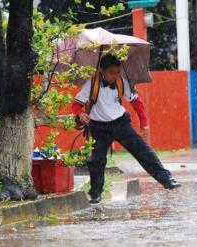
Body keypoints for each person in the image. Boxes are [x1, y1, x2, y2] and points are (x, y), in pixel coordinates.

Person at [72, 54, 181, 203]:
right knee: (97, 161)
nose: (114, 76)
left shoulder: (121, 82)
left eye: (117, 72)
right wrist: (80, 114)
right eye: (111, 72)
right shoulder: (92, 84)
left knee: (143, 151)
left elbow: (137, 102)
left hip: (120, 123)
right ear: (102, 71)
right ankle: (95, 193)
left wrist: (144, 123)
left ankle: (167, 179)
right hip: (98, 127)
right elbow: (76, 103)